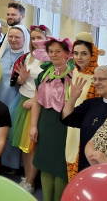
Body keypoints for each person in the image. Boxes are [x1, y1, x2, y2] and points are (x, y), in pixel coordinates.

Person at [31, 37, 74, 201]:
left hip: (65, 125)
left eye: (58, 51)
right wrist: (33, 126)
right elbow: (36, 102)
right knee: (45, 164)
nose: (54, 54)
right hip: (45, 122)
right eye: (51, 51)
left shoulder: (73, 75)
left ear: (67, 54)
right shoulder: (43, 75)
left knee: (60, 167)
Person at [9, 24, 50, 193]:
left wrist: (35, 100)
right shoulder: (27, 57)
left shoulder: (49, 60)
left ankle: (31, 182)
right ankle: (27, 178)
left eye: (39, 38)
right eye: (33, 38)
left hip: (37, 104)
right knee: (24, 145)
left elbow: (50, 86)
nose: (35, 41)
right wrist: (21, 79)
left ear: (47, 39)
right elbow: (18, 81)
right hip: (23, 101)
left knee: (32, 146)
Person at [61, 64, 107, 174]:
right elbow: (67, 118)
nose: (96, 83)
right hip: (85, 166)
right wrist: (73, 98)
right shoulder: (91, 104)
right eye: (95, 79)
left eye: (102, 79)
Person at [62, 32, 102, 180]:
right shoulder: (75, 71)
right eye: (76, 53)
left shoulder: (97, 77)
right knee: (71, 160)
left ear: (92, 55)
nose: (79, 57)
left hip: (87, 129)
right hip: (72, 125)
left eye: (84, 53)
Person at [0, 25, 29, 171]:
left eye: (17, 37)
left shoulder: (27, 57)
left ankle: (11, 164)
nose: (13, 40)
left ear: (24, 39)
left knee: (11, 131)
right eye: (10, 36)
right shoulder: (2, 52)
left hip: (14, 99)